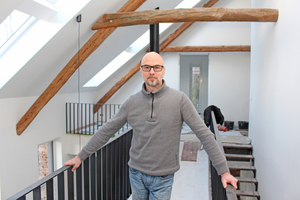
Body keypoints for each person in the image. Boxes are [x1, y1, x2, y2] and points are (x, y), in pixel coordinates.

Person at [65, 52, 238, 200]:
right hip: (136, 174)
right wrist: (80, 156)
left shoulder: (179, 100)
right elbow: (106, 130)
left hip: (163, 177)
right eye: (147, 67)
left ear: (163, 71)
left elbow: (204, 134)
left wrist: (223, 171)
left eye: (156, 67)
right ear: (141, 71)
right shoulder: (131, 103)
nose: (152, 71)